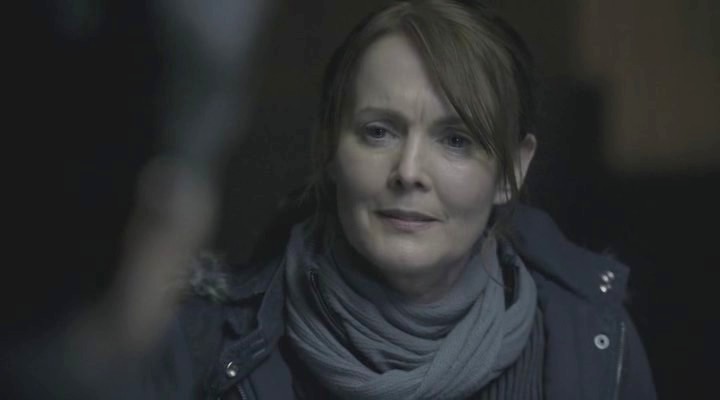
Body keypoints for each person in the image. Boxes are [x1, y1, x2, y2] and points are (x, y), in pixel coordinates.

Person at [179, 0, 657, 399]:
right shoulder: (202, 344)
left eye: (456, 140)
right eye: (378, 132)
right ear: (328, 148)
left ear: (511, 171)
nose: (408, 172)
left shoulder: (595, 348)